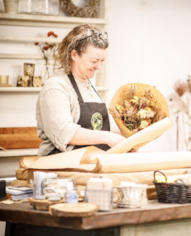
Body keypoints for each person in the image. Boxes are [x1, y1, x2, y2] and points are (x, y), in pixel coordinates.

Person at [36, 24, 125, 156]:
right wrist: (108, 137)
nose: (99, 66)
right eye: (94, 60)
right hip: (61, 165)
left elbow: (102, 127)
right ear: (74, 55)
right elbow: (64, 132)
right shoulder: (56, 86)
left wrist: (124, 141)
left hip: (92, 162)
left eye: (102, 61)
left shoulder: (89, 85)